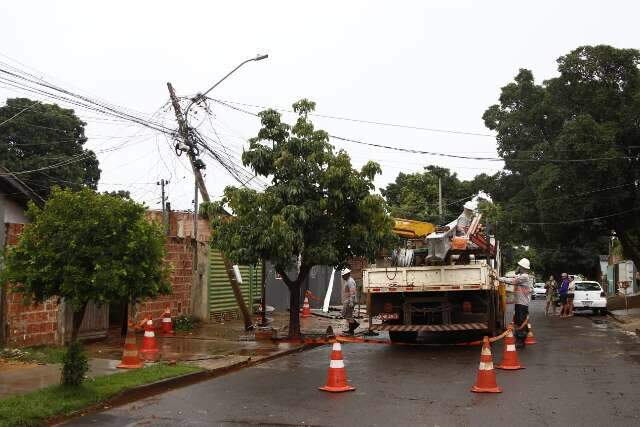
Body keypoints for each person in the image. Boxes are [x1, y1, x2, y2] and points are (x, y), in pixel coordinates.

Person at [495, 258, 532, 348]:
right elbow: (512, 279)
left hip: (522, 304)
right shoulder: (522, 276)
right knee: (519, 321)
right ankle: (521, 339)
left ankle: (521, 340)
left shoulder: (524, 277)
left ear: (522, 267)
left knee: (520, 321)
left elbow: (512, 281)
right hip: (520, 303)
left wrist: (498, 278)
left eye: (519, 266)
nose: (517, 267)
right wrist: (501, 278)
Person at [341, 268, 359, 335]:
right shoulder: (348, 281)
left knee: (346, 315)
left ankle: (354, 325)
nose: (342, 277)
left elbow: (353, 292)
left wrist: (351, 301)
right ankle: (351, 329)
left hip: (350, 301)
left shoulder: (350, 281)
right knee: (348, 315)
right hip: (348, 300)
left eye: (343, 275)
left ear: (347, 274)